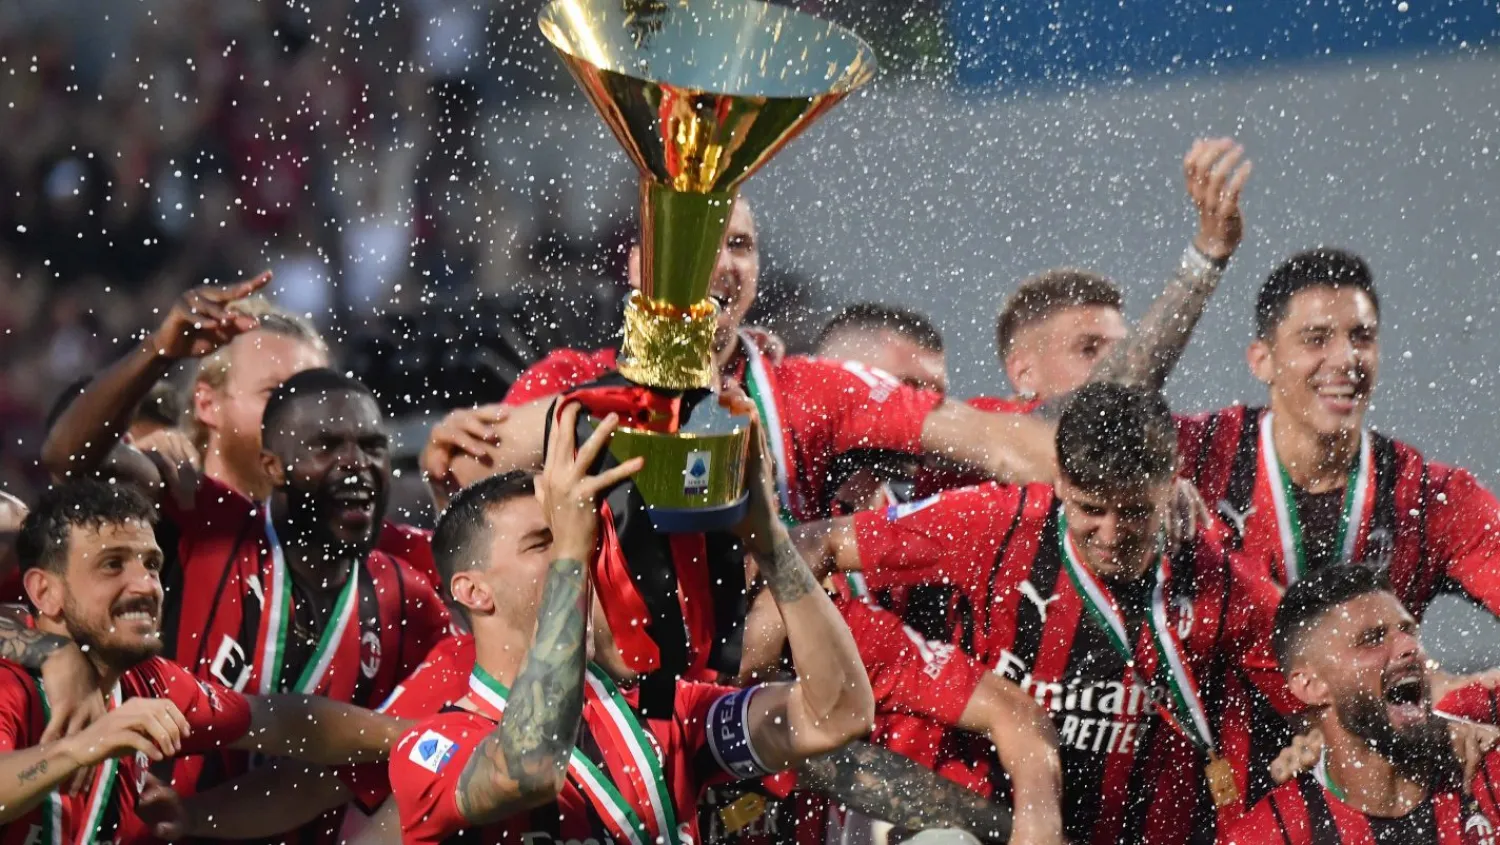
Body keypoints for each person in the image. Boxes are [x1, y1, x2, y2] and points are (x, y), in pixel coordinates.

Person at [795, 383, 1297, 845]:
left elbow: (1316, 678)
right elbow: (815, 543)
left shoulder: (1221, 580)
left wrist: (1313, 737)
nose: (1112, 534)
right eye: (1091, 509)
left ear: (1171, 485)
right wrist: (758, 662)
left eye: (1135, 513)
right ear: (1057, 478)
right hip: (995, 826)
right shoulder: (996, 524)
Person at [387, 400, 876, 844]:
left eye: (575, 533)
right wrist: (573, 554)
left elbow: (837, 715)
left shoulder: (660, 712)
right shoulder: (429, 748)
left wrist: (768, 539)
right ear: (473, 591)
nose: (571, 547)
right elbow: (529, 768)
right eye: (543, 542)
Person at [0, 480, 407, 845]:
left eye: (152, 564)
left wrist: (414, 735)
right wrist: (81, 748)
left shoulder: (151, 683)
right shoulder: (11, 683)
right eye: (112, 564)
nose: (146, 585)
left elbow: (282, 721)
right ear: (44, 591)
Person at [1177, 247, 1500, 616]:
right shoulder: (1198, 454)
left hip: (1370, 677)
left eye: (1361, 337)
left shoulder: (1429, 499)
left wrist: (1453, 678)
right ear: (1262, 360)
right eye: (1316, 339)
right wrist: (1203, 261)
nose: (1346, 359)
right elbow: (1102, 421)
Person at [1227, 564, 1500, 843]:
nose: (1410, 647)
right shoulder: (1270, 835)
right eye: (1372, 639)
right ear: (1311, 686)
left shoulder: (1485, 775)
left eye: (1408, 630)